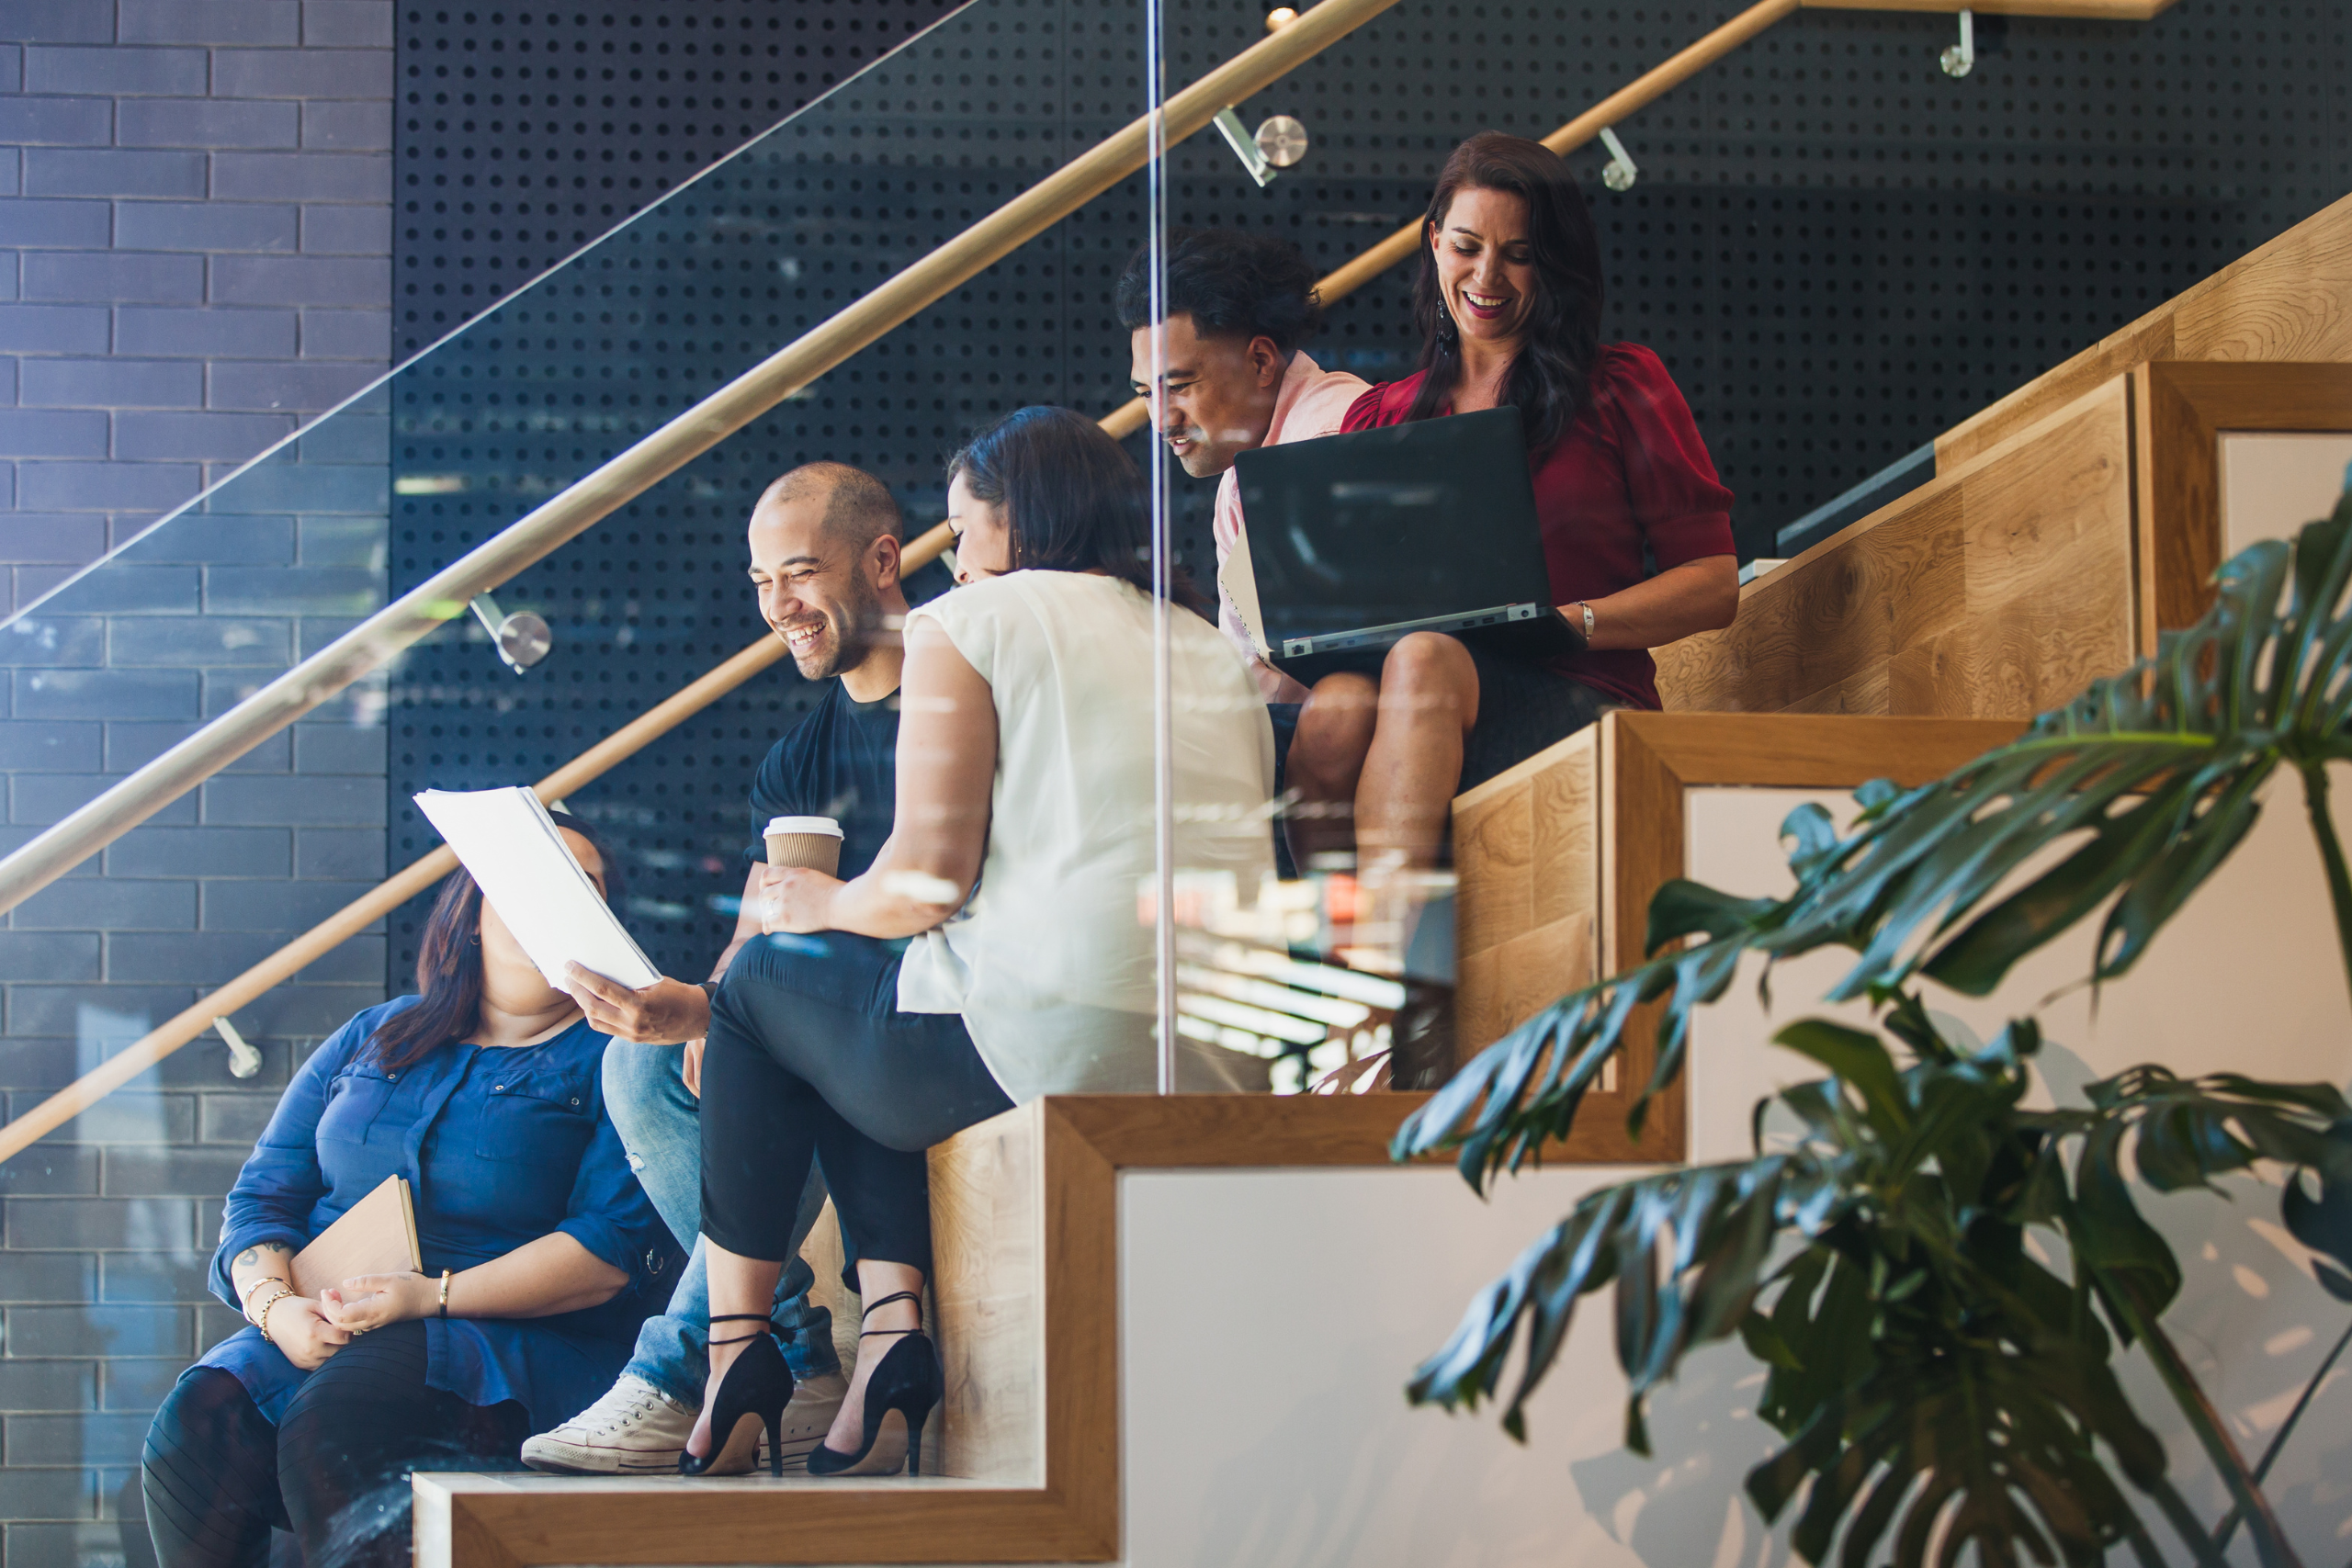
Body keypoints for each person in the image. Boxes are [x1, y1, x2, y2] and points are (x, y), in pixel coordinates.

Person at [686, 406, 1273, 1478]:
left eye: (962, 535)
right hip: (1220, 1052)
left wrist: (802, 909)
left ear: (1022, 523)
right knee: (874, 998)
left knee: (762, 992)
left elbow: (922, 881)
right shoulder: (1203, 641)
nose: (952, 563)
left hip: (1056, 1039)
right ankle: (890, 1341)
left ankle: (737, 1350)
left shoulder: (971, 624)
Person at [140, 815, 675, 1568]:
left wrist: (429, 1295)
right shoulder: (375, 1032)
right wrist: (275, 1308)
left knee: (344, 1411)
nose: (552, 900)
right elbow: (262, 1197)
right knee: (200, 1420)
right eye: (530, 878)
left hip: (515, 1348)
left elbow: (609, 1250)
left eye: (581, 888)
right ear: (472, 911)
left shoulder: (622, 1058)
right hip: (324, 1324)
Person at [531, 461, 915, 1475]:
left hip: (923, 1018)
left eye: (798, 574)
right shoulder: (798, 756)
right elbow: (764, 929)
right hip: (829, 1019)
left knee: (761, 1049)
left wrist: (729, 1007)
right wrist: (694, 1010)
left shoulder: (953, 702)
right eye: (759, 584)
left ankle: (675, 1371)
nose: (778, 608)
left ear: (882, 561)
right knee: (635, 1064)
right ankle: (790, 1344)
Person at [1284, 130, 1738, 952]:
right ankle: (1340, 972)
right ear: (1434, 243)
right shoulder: (1380, 415)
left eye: (1518, 254)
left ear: (1552, 266)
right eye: (1466, 246)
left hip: (1583, 697)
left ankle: (1377, 980)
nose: (1486, 278)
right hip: (1421, 705)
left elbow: (1714, 581)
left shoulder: (1621, 385)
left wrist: (1577, 619)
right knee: (1335, 706)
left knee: (1421, 661)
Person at [1115, 228, 1368, 706]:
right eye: (1147, 394)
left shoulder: (1326, 439)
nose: (1161, 420)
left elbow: (1295, 677)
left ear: (1260, 361)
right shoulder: (1241, 473)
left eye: (1181, 386)